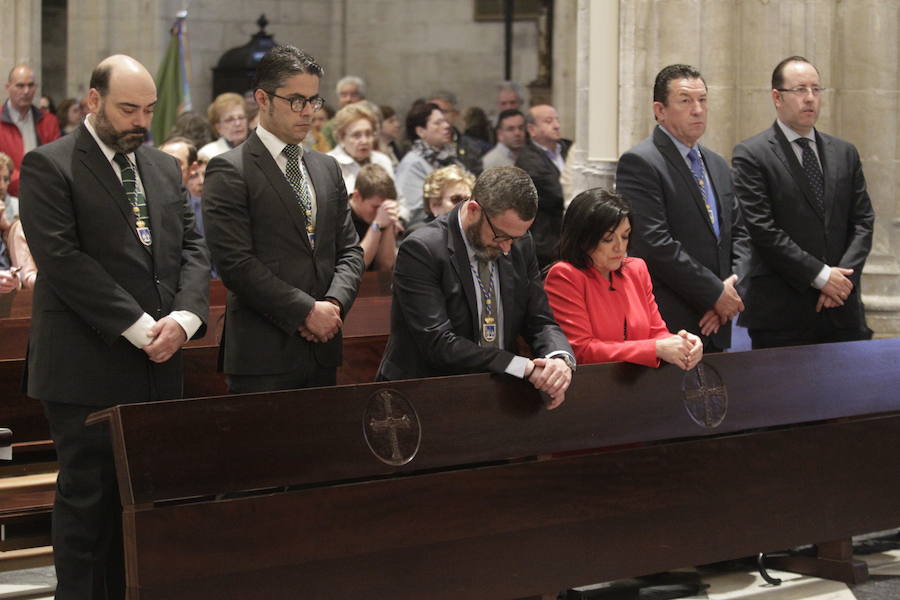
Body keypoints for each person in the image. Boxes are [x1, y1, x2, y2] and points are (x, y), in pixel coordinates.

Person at [18, 54, 210, 599]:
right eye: (129, 109)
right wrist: (141, 327)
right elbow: (64, 261)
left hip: (161, 360)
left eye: (149, 110)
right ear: (95, 101)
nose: (141, 121)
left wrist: (184, 319)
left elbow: (192, 249)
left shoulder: (162, 168)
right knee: (88, 506)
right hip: (86, 366)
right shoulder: (49, 165)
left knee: (143, 508)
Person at [203, 45, 364, 394]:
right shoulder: (230, 169)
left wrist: (333, 306)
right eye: (296, 101)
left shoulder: (326, 167)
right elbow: (235, 263)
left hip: (323, 345)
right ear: (262, 98)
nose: (307, 112)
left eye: (313, 101)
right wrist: (306, 311)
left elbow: (350, 250)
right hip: (263, 352)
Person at [377, 166, 576, 409]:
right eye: (500, 236)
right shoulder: (422, 249)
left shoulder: (519, 242)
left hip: (497, 389)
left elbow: (541, 320)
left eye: (515, 238)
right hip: (428, 392)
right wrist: (522, 367)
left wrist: (558, 359)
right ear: (473, 210)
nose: (507, 249)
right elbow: (439, 344)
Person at [732, 56, 874, 348]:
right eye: (800, 90)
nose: (810, 98)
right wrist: (821, 276)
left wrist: (841, 281)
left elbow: (863, 222)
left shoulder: (844, 152)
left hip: (842, 312)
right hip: (783, 314)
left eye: (815, 89)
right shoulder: (752, 154)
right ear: (777, 97)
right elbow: (762, 229)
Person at [616, 64, 750, 353]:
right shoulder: (641, 162)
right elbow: (654, 244)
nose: (698, 110)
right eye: (686, 101)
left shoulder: (716, 163)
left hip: (719, 319)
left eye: (703, 100)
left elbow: (740, 235)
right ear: (660, 109)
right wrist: (714, 293)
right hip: (672, 317)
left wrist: (729, 294)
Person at [544, 189, 702, 369]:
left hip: (640, 386)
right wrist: (655, 348)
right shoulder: (565, 275)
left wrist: (682, 344)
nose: (619, 247)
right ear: (583, 238)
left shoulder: (636, 269)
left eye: (625, 236)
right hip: (592, 389)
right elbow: (580, 351)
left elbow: (657, 333)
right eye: (608, 239)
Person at [514, 104, 572, 268]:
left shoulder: (569, 148)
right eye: (548, 121)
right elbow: (558, 194)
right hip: (548, 241)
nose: (557, 125)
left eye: (557, 120)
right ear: (532, 129)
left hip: (570, 236)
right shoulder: (528, 160)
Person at [395, 102, 459, 226]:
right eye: (438, 123)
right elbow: (413, 210)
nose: (446, 126)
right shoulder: (413, 163)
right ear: (420, 131)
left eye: (445, 121)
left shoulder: (451, 158)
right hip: (428, 230)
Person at [0, 65, 60, 196]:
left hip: (43, 193)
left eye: (31, 85)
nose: (26, 91)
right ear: (8, 87)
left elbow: (56, 161)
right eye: (20, 86)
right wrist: (29, 182)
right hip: (7, 194)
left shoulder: (49, 121)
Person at [327, 103, 396, 197]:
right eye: (356, 135)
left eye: (368, 134)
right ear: (341, 137)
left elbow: (400, 201)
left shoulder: (382, 160)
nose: (364, 141)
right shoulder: (328, 164)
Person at [350, 163, 402, 271]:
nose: (380, 212)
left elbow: (385, 265)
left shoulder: (384, 215)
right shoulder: (340, 216)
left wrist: (389, 224)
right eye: (375, 207)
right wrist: (376, 225)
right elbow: (356, 267)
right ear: (356, 196)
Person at [428, 90, 484, 175]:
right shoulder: (420, 148)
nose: (437, 116)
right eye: (431, 112)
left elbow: (477, 177)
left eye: (442, 112)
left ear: (455, 114)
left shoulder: (470, 146)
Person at [198, 92, 248, 161]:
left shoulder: (257, 149)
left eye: (241, 117)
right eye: (230, 119)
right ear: (218, 128)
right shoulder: (208, 154)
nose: (238, 123)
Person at [322, 75, 366, 149]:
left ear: (362, 98)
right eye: (343, 95)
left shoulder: (370, 122)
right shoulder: (330, 127)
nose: (348, 99)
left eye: (354, 95)